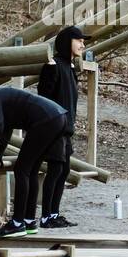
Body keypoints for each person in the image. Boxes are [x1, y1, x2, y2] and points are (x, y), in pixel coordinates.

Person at [0, 74, 67, 238]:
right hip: (57, 117)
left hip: (46, 119)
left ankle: (17, 223)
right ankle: (29, 221)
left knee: (21, 170)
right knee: (31, 170)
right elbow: (6, 129)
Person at [36, 25, 90, 229]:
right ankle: (46, 217)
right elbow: (44, 96)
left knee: (63, 170)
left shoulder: (69, 67)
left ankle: (54, 214)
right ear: (68, 41)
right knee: (55, 169)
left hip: (66, 129)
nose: (82, 45)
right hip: (54, 128)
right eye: (79, 41)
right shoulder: (53, 65)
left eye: (83, 41)